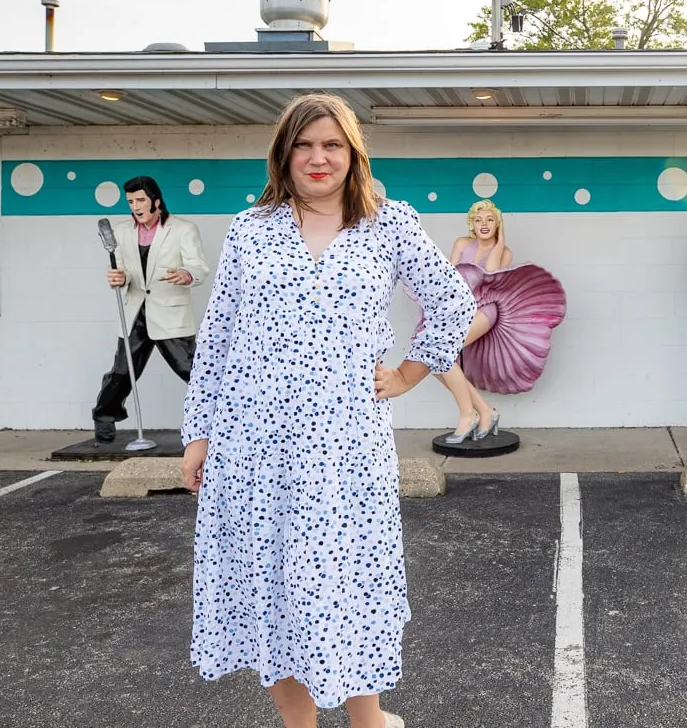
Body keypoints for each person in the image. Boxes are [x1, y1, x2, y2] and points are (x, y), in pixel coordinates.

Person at [179, 93, 475, 728]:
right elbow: (219, 336)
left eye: (332, 145)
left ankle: (369, 720)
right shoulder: (250, 229)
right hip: (251, 441)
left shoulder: (389, 223)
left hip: (345, 444)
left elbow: (454, 305)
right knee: (273, 584)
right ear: (283, 155)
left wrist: (408, 372)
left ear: (352, 153)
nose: (318, 158)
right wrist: (198, 433)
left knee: (350, 580)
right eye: (304, 145)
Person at [431, 199, 567, 444]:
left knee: (444, 351)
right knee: (434, 360)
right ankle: (485, 410)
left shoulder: (504, 251)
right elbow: (450, 277)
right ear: (471, 223)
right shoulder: (462, 243)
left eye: (490, 219)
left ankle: (467, 415)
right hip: (459, 309)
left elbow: (490, 275)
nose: (484, 224)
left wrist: (500, 242)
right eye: (479, 219)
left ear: (498, 224)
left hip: (487, 309)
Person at [91, 175, 209, 443]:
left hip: (170, 312)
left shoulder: (183, 229)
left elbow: (199, 266)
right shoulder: (120, 232)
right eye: (131, 201)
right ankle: (104, 416)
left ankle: (221, 416)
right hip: (136, 313)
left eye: (140, 200)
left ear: (156, 201)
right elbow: (123, 272)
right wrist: (119, 279)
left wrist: (186, 275)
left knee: (192, 369)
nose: (135, 206)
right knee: (122, 371)